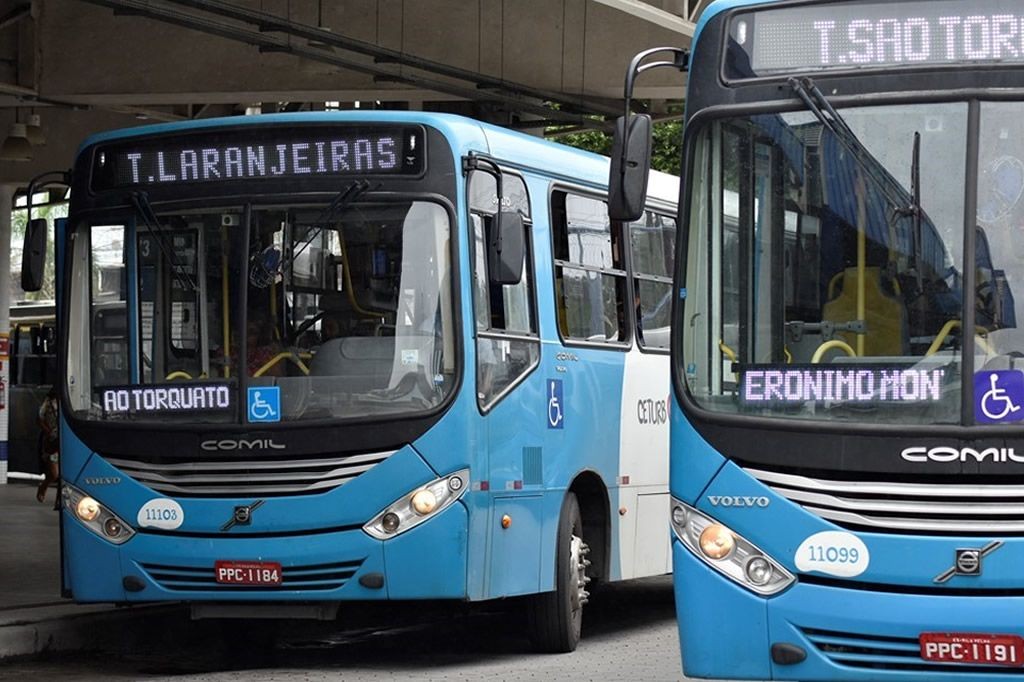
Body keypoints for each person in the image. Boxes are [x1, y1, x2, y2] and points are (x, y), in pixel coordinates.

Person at [36, 387, 60, 508]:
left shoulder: (68, 403)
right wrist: (48, 431)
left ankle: (58, 501)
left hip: (65, 440)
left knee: (63, 475)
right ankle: (43, 486)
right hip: (51, 441)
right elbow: (39, 419)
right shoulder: (48, 403)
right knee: (54, 474)